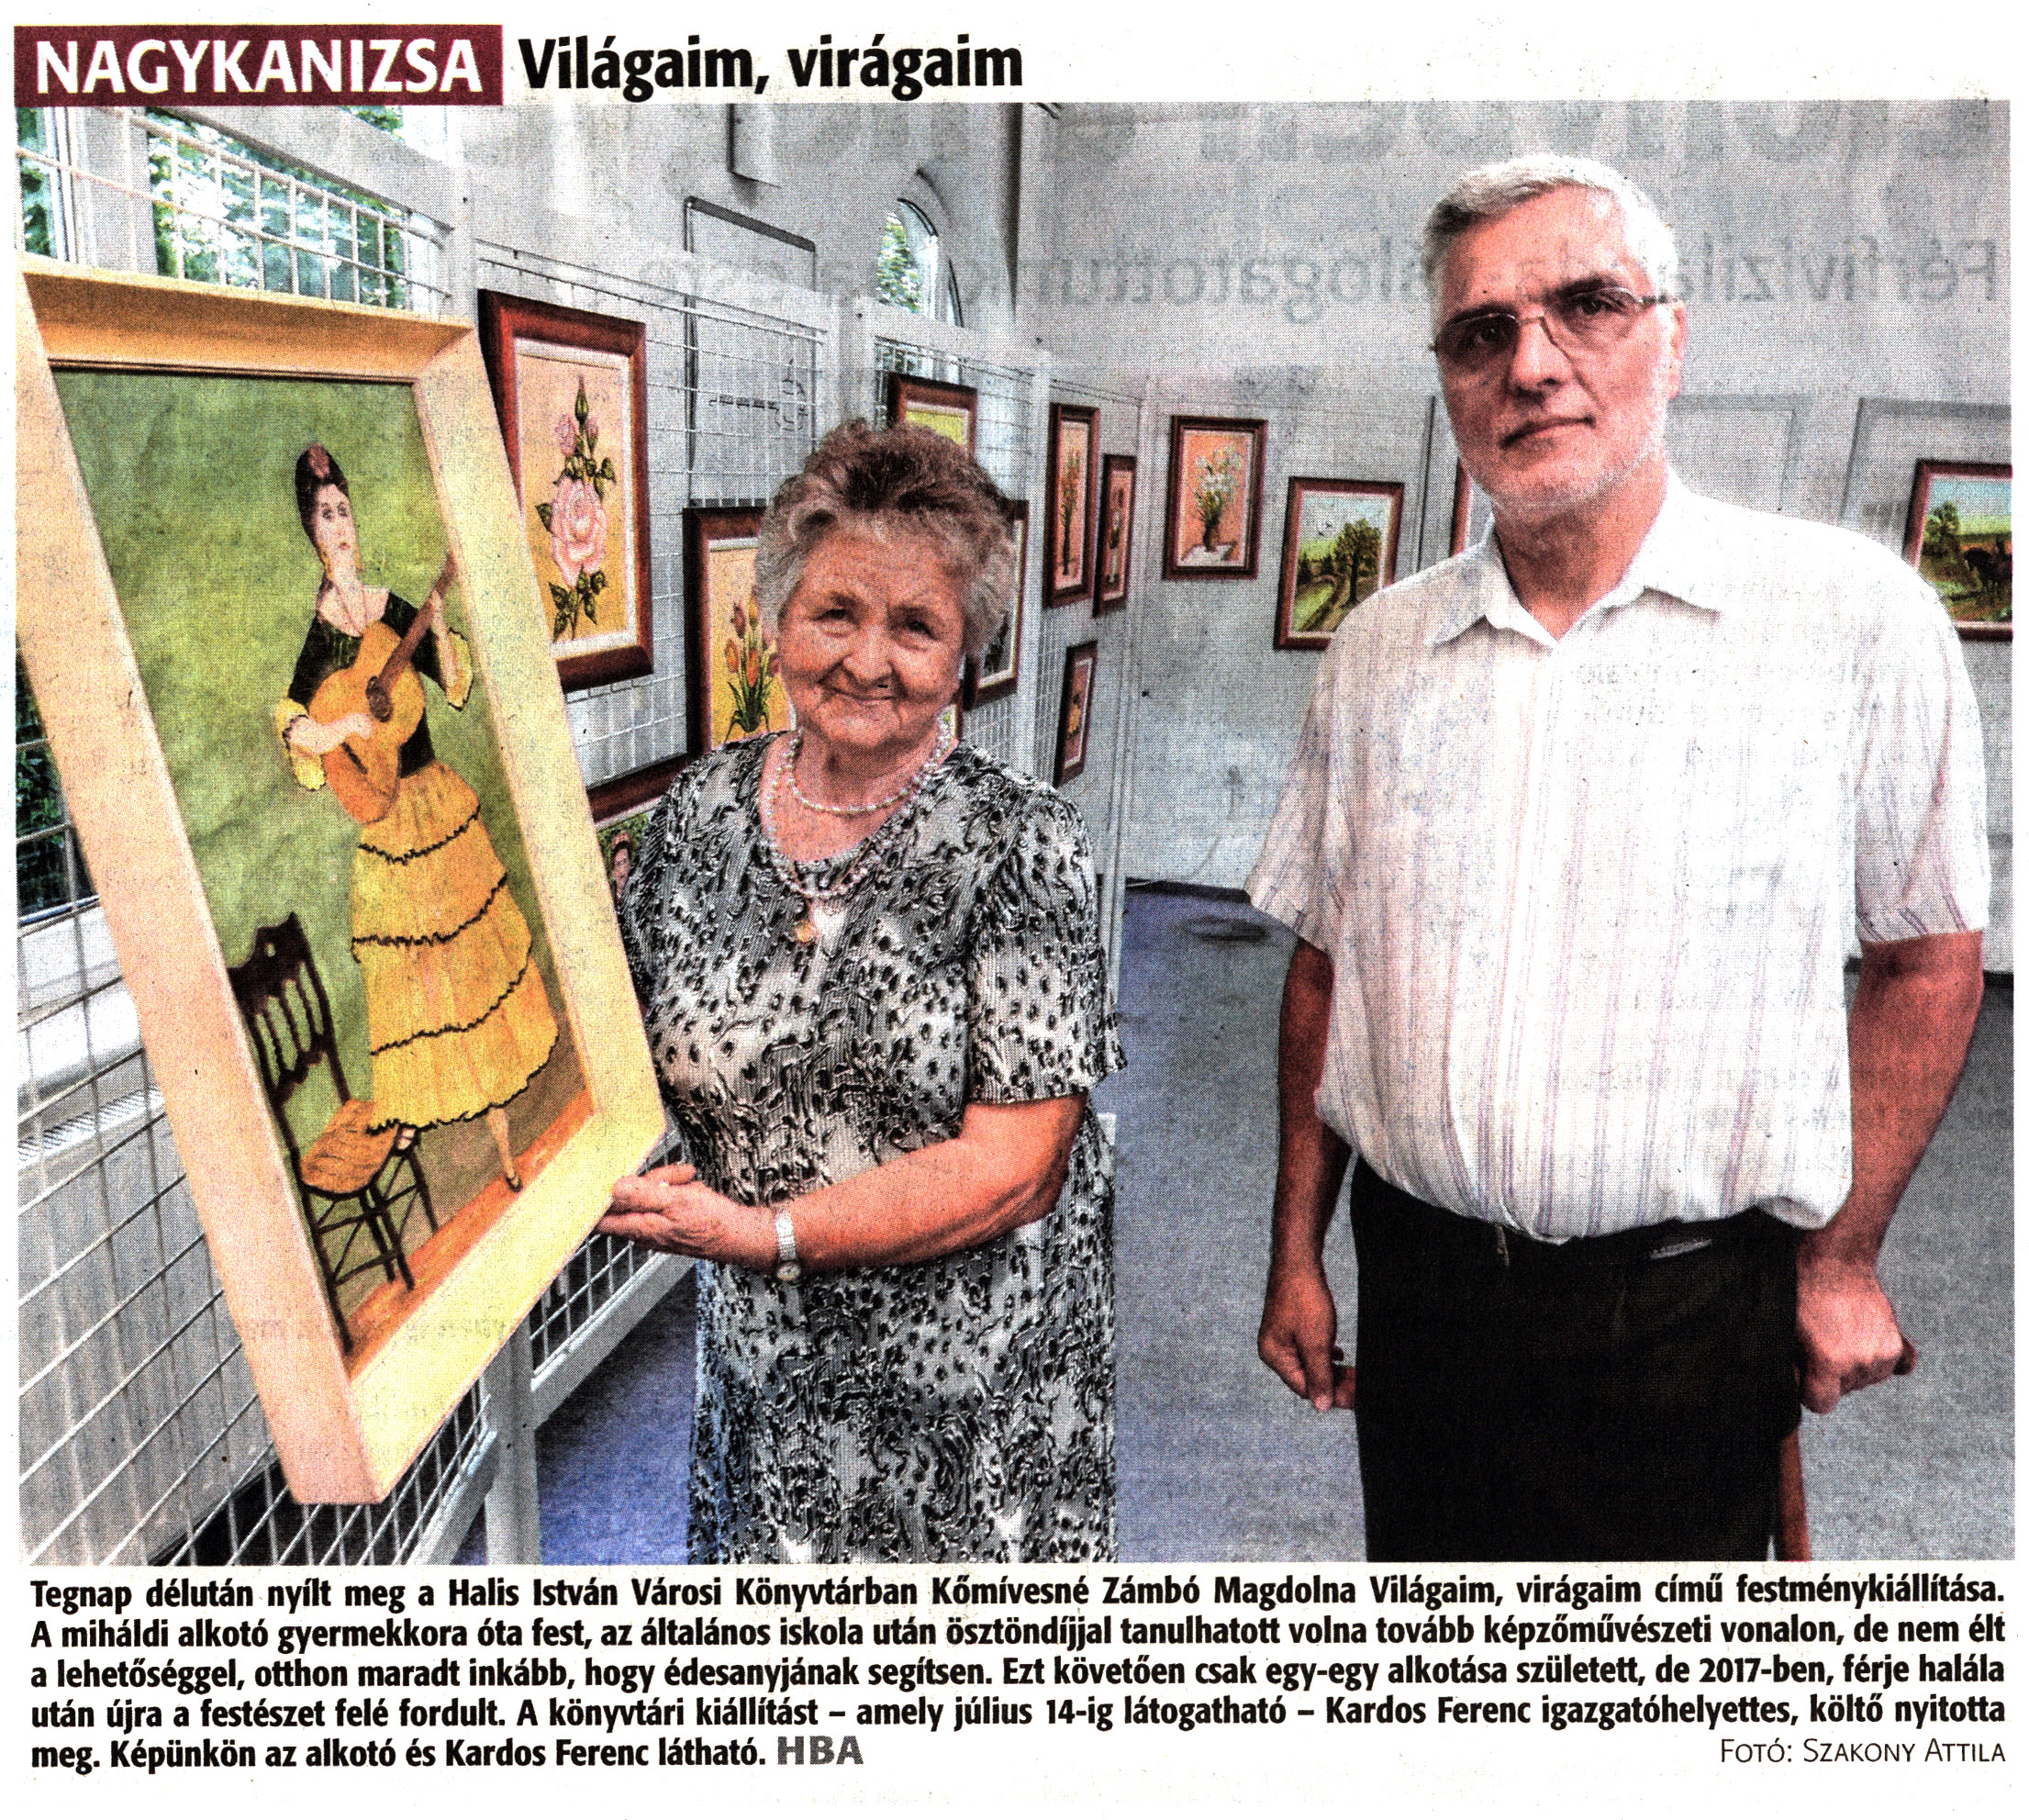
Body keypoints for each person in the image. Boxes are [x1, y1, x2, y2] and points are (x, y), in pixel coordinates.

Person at [1249, 157, 1988, 1561]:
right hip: (1421, 1290)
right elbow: (1325, 966)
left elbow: (1925, 956)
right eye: (1479, 332)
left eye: (1585, 305)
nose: (1529, 366)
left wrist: (1839, 1255)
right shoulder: (1376, 651)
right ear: (1447, 377)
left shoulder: (1844, 618)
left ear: (1672, 335)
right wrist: (1295, 1249)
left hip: (1685, 1312)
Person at [599, 420, 1121, 1564]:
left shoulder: (1024, 846)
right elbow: (612, 1039)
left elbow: (1015, 1169)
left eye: (916, 626)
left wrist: (763, 1235)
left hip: (960, 1395)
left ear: (965, 655)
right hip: (764, 1367)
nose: (867, 660)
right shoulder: (696, 814)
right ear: (776, 619)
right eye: (835, 612)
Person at [277, 442, 558, 1193]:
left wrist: (434, 626)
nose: (339, 525)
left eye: (344, 510)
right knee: (412, 978)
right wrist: (343, 728)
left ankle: (500, 1134)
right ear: (310, 530)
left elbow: (453, 681)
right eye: (325, 515)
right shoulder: (322, 636)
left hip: (435, 803)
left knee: (467, 965)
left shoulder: (389, 605)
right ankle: (415, 1105)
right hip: (386, 817)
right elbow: (296, 724)